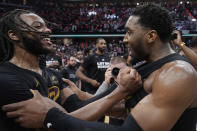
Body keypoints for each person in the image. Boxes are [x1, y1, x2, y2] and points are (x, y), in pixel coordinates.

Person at [3, 4, 197, 131]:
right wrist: (80, 96)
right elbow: (115, 106)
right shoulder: (143, 68)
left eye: (129, 32)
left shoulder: (177, 73)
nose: (124, 39)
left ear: (151, 36)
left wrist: (52, 116)